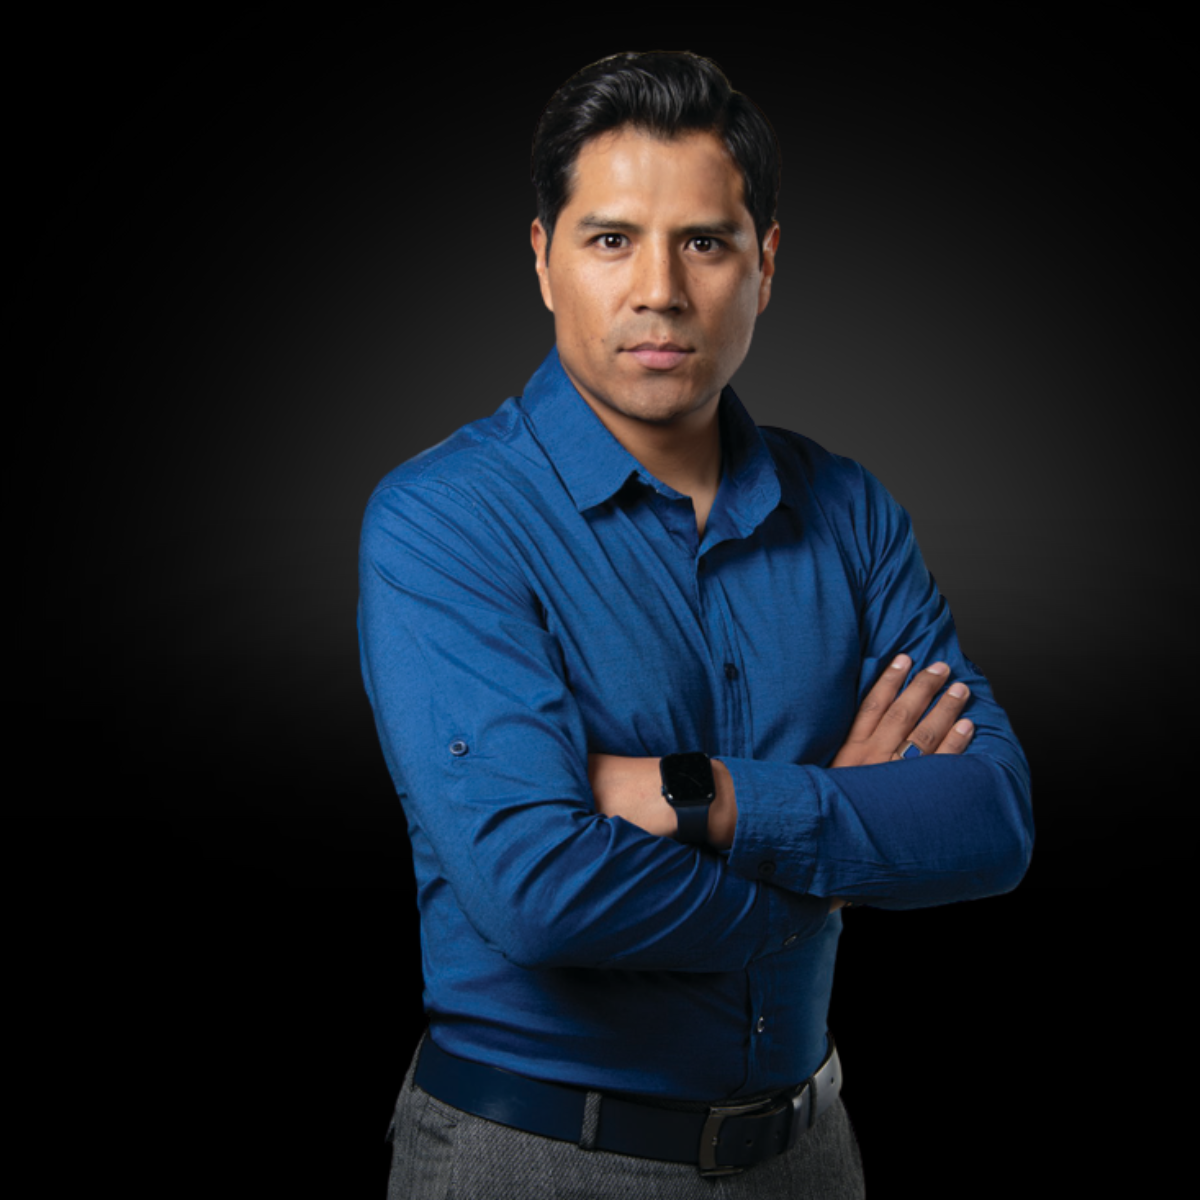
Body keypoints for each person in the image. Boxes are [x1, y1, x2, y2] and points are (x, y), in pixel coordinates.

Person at [360, 50, 1032, 1198]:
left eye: (705, 243)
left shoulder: (852, 511)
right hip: (538, 1161)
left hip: (811, 1154)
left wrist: (707, 796)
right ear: (544, 260)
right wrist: (838, 857)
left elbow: (991, 819)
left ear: (765, 265)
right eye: (611, 239)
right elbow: (538, 890)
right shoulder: (445, 519)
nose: (660, 290)